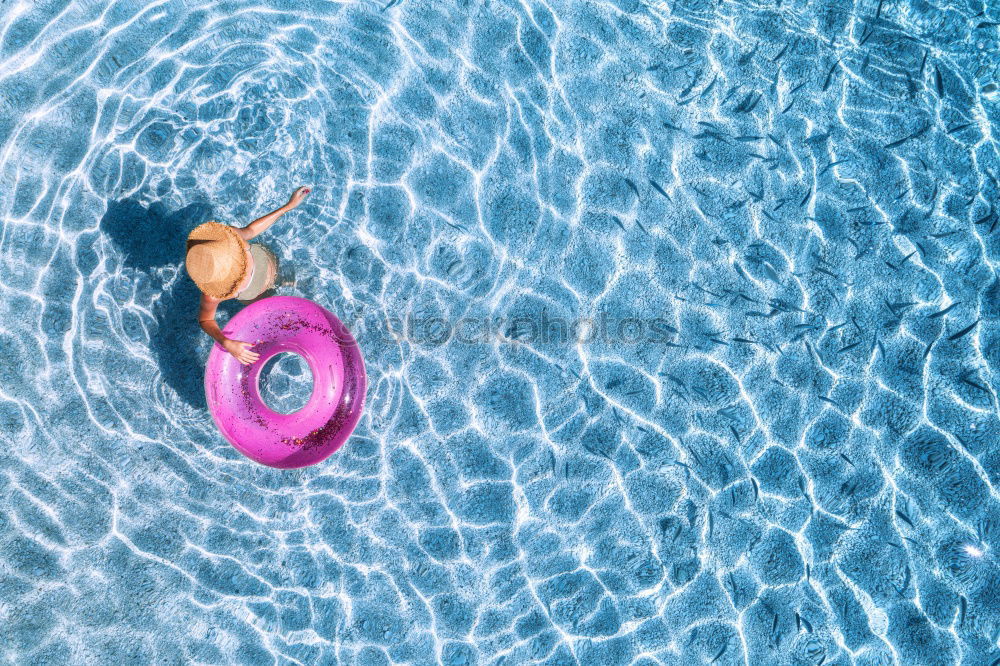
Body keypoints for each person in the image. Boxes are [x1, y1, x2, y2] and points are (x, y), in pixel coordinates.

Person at [184, 186, 310, 364]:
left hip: (272, 263)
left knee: (292, 281)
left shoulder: (231, 238)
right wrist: (226, 342)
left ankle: (288, 282)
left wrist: (288, 206)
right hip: (258, 294)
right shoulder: (212, 295)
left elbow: (250, 231)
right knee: (276, 311)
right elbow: (205, 319)